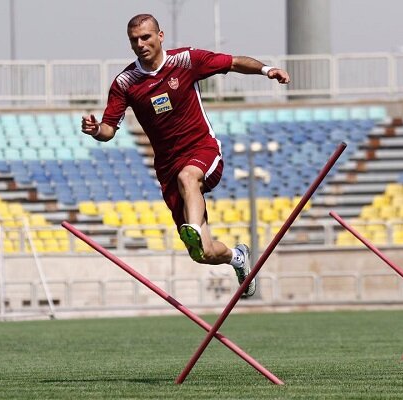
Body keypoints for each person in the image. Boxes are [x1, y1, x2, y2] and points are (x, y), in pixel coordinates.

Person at [81, 13, 290, 298]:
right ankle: (235, 257)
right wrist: (95, 130)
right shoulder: (125, 83)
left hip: (202, 150)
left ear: (160, 36)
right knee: (202, 252)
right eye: (134, 40)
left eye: (146, 37)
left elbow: (233, 62)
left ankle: (192, 225)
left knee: (189, 175)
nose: (141, 44)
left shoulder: (186, 61)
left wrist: (267, 71)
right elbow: (108, 130)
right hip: (168, 169)